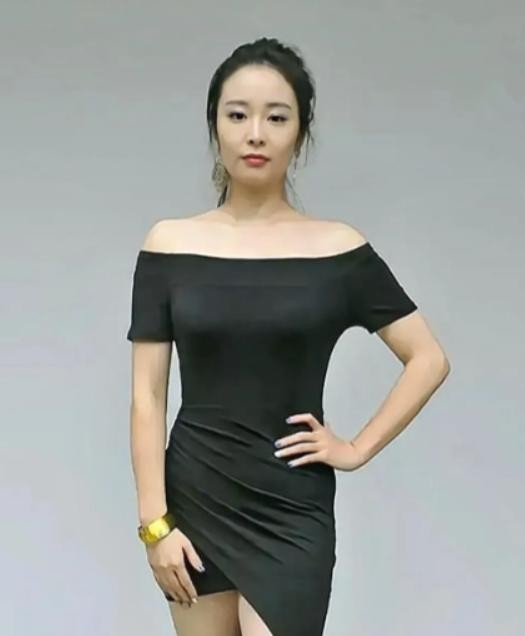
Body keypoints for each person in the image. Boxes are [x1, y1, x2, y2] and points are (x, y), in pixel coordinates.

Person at [126, 37, 450, 636]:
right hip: (196, 495)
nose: (255, 134)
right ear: (215, 125)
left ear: (300, 133)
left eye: (276, 118)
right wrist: (155, 526)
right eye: (238, 115)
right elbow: (147, 396)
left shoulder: (338, 250)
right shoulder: (169, 245)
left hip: (291, 505)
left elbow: (427, 358)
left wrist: (356, 448)